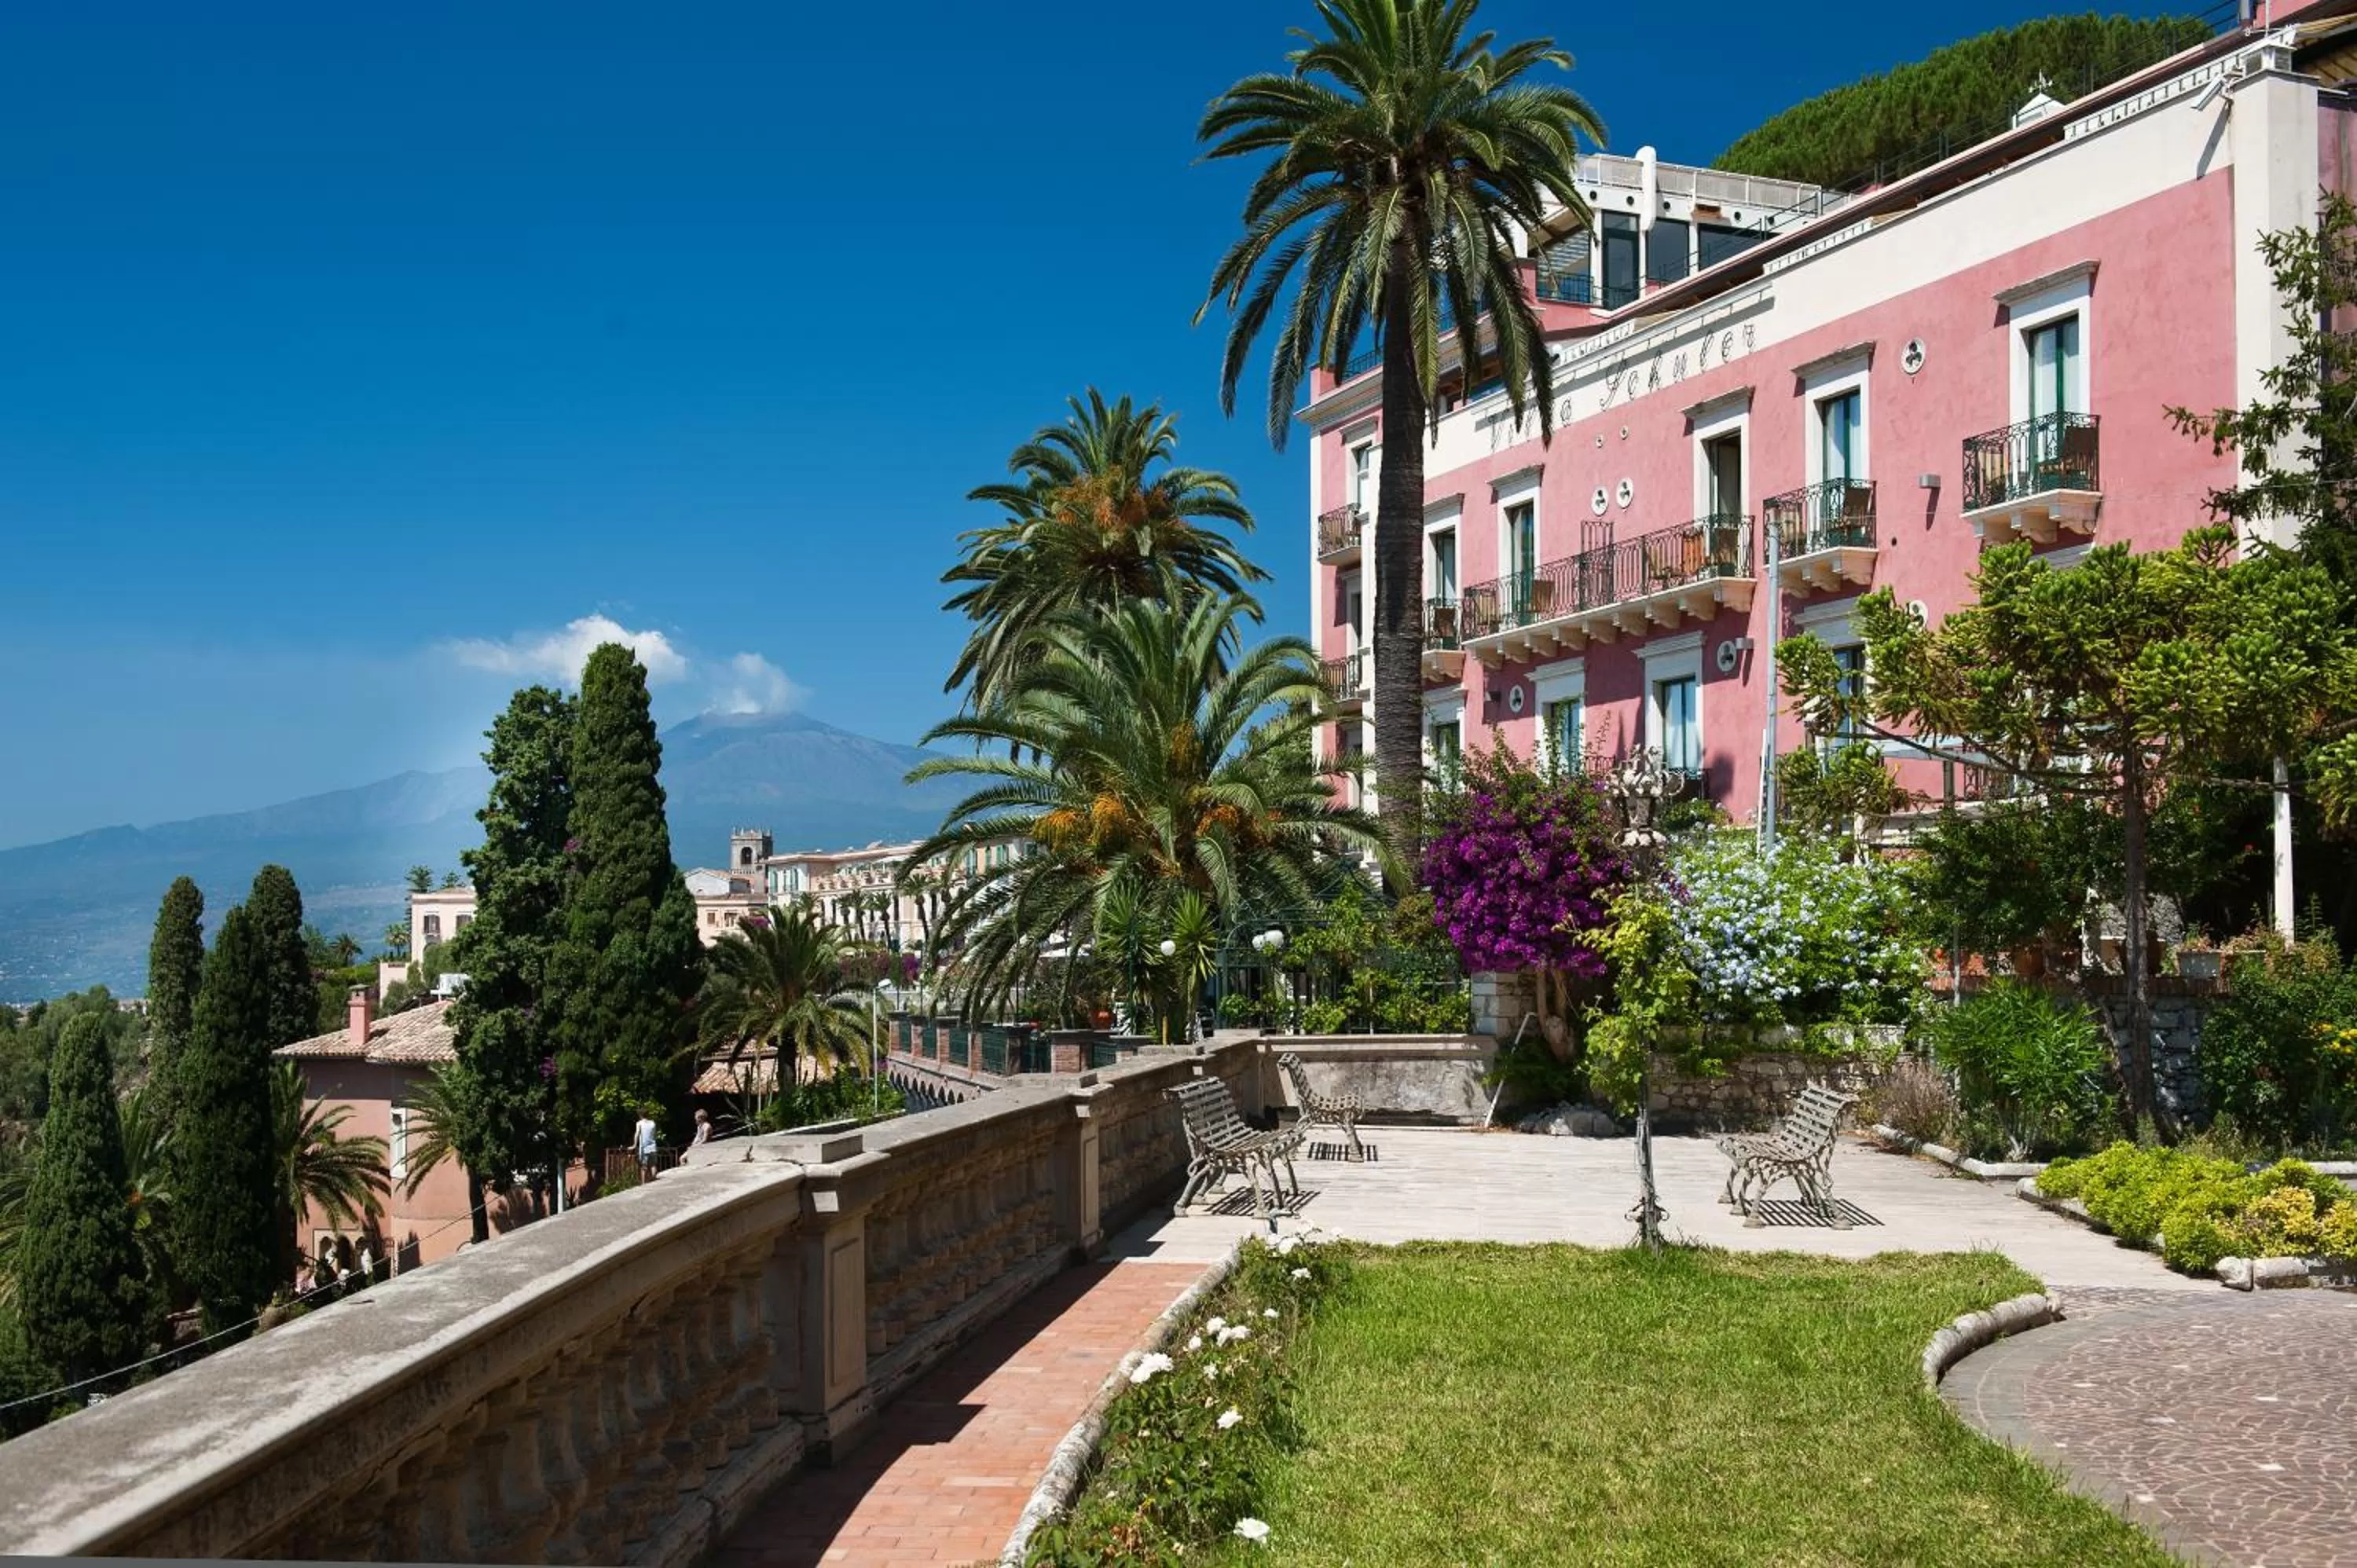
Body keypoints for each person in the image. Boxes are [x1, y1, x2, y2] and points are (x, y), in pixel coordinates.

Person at [635, 1108, 660, 1181]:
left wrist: (634, 1145)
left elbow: (637, 1134)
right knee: (653, 1165)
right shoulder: (653, 1123)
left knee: (644, 1166)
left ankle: (643, 1184)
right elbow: (654, 1134)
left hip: (644, 1148)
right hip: (653, 1146)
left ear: (640, 1115)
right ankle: (654, 1180)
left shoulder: (639, 1123)